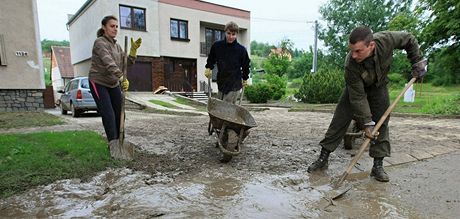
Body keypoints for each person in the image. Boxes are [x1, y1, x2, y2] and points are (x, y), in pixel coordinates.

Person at [307, 26, 427, 182]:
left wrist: (416, 61)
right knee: (339, 120)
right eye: (352, 50)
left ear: (371, 46)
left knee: (382, 122)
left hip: (379, 86)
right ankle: (323, 159)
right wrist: (366, 123)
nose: (354, 55)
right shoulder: (350, 63)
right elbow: (357, 97)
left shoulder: (386, 40)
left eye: (358, 51)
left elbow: (409, 39)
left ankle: (377, 167)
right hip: (356, 89)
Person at [88, 15, 142, 159]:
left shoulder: (117, 46)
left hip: (112, 83)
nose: (115, 29)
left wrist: (133, 52)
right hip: (98, 82)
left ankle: (120, 143)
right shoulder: (100, 43)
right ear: (104, 27)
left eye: (117, 26)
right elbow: (108, 62)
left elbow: (126, 64)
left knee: (120, 113)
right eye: (112, 26)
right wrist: (121, 77)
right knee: (109, 114)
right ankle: (113, 144)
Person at [204, 21, 250, 103]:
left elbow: (245, 65)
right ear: (225, 32)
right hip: (221, 81)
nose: (231, 37)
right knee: (219, 107)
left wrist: (245, 78)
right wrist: (208, 67)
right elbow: (211, 58)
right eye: (229, 33)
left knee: (226, 107)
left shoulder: (241, 50)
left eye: (233, 34)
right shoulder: (217, 46)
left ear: (237, 35)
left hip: (234, 83)